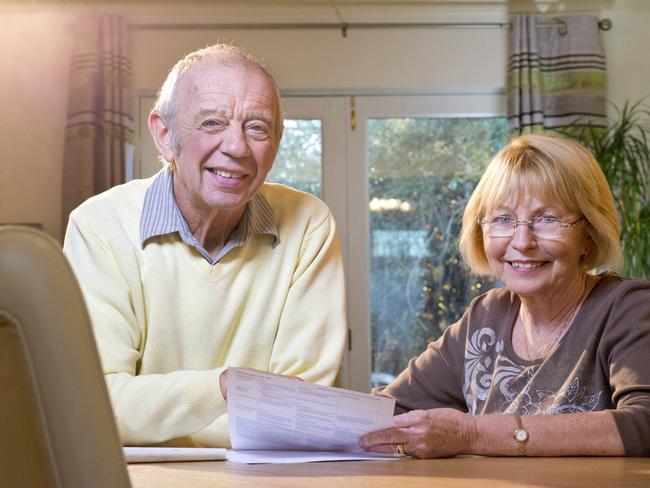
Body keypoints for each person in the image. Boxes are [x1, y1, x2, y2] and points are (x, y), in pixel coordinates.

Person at [63, 44, 346, 447]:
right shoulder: (99, 225)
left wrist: (150, 418)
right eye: (213, 123)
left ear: (277, 142)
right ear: (164, 135)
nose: (236, 147)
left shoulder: (308, 223)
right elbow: (93, 405)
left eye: (257, 127)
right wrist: (224, 387)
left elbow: (300, 412)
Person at [358, 134, 650, 458]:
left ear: (589, 236)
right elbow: (385, 415)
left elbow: (644, 423)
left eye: (547, 219)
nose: (522, 241)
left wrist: (469, 434)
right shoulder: (485, 317)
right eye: (503, 219)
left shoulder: (628, 308)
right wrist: (299, 403)